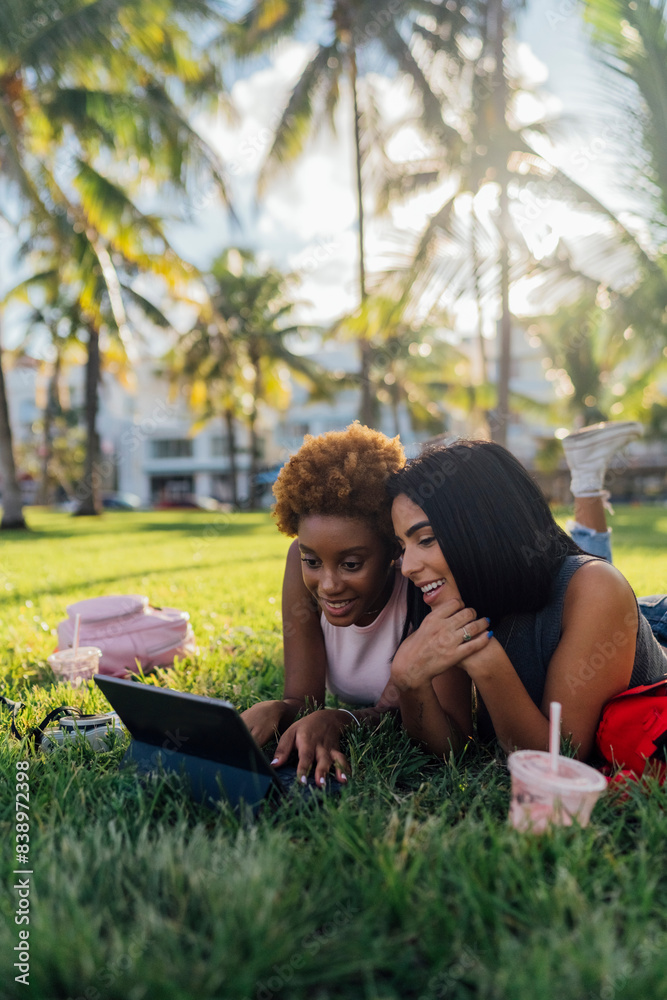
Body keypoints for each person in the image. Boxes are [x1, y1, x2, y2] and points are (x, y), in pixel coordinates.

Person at [386, 438, 667, 762]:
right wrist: (409, 683)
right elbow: (452, 750)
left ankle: (587, 484)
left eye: (426, 539)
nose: (407, 568)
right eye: (403, 547)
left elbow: (561, 759)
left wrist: (489, 664)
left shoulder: (595, 588)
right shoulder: (451, 596)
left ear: (484, 527)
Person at [241, 423, 408, 786]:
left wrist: (343, 719)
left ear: (394, 550)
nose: (328, 586)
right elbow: (303, 699)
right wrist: (279, 710)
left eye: (351, 564)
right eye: (312, 561)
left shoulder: (419, 582)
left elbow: (408, 712)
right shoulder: (298, 562)